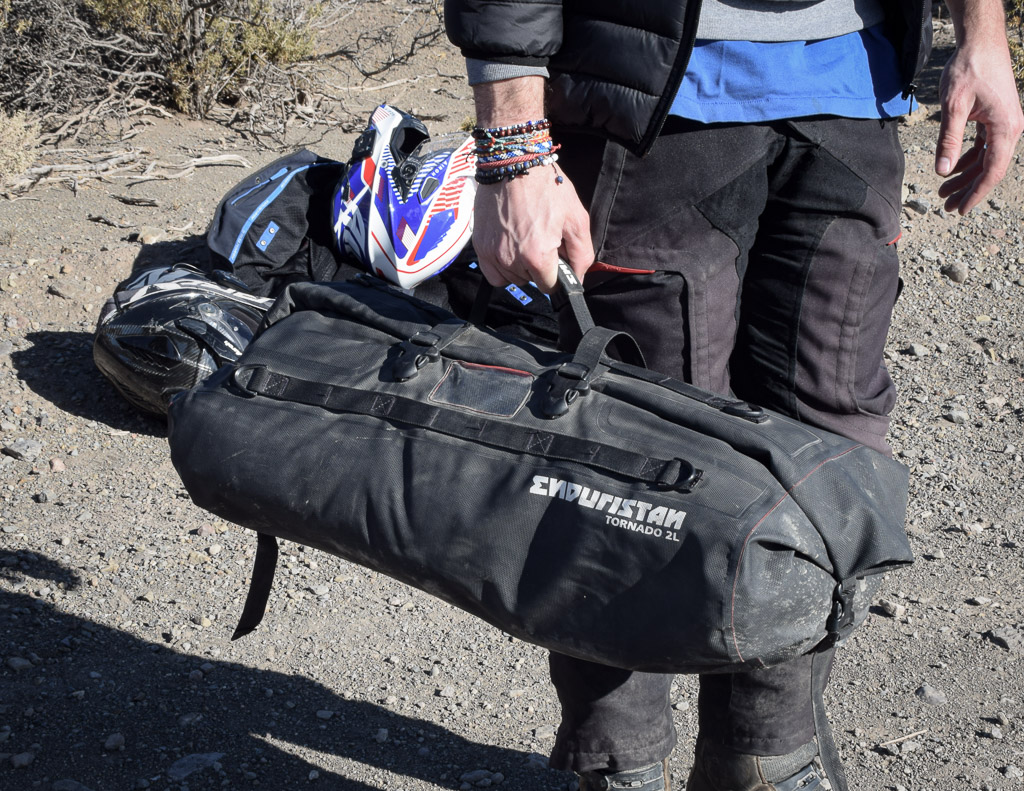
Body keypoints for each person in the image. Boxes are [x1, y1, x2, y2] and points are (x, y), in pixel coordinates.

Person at [443, 0, 1024, 790]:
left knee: (827, 455)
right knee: (632, 463)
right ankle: (620, 761)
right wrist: (512, 147)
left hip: (855, 85)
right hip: (647, 98)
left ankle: (764, 754)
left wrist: (983, 34)